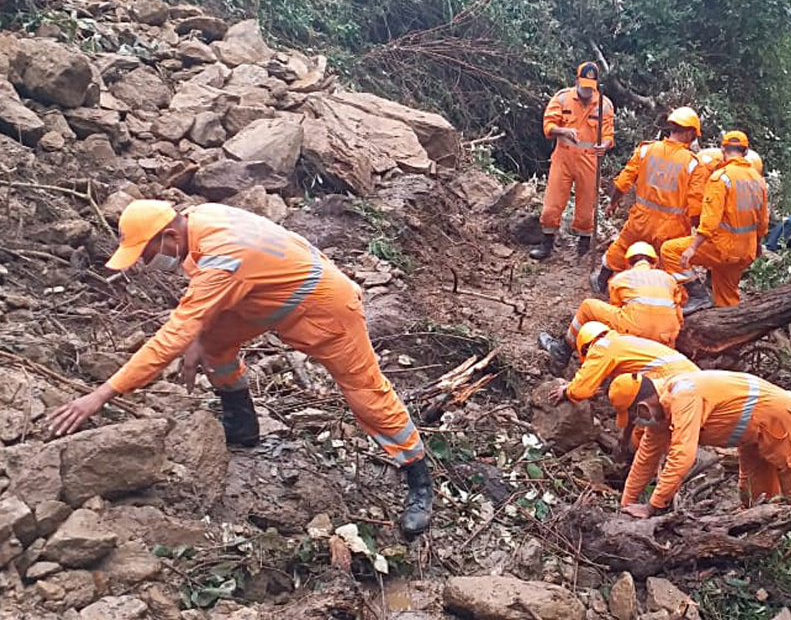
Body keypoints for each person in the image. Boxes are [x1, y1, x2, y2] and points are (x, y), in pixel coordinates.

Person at [47, 200, 434, 536]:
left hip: (325, 307)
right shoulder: (198, 222)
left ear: (168, 236)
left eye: (146, 254)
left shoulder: (222, 253)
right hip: (267, 300)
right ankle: (242, 423)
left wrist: (100, 395)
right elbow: (203, 311)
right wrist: (201, 336)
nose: (147, 263)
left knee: (365, 393)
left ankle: (418, 477)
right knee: (213, 341)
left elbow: (171, 336)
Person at [609, 370, 791, 543]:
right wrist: (626, 505)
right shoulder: (660, 415)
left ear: (643, 408)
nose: (637, 425)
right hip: (751, 435)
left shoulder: (683, 395)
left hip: (779, 418)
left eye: (634, 418)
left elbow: (682, 455)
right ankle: (767, 545)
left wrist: (652, 507)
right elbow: (645, 458)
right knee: (753, 495)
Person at [592, 108, 704, 293]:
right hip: (672, 227)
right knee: (668, 260)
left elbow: (622, 182)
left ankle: (601, 280)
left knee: (623, 245)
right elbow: (696, 206)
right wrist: (695, 234)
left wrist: (613, 203)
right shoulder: (692, 163)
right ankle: (669, 295)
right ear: (690, 132)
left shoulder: (646, 150)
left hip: (641, 219)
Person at [660, 131, 769, 310]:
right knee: (727, 298)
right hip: (745, 251)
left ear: (722, 149)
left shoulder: (720, 178)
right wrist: (756, 247)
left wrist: (692, 248)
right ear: (746, 151)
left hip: (723, 248)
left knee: (670, 251)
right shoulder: (758, 180)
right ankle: (731, 331)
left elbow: (710, 221)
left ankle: (698, 296)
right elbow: (763, 222)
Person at [539, 242, 685, 373]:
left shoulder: (621, 278)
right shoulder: (669, 279)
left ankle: (562, 352)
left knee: (587, 306)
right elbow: (679, 313)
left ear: (628, 262)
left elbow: (616, 311)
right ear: (654, 262)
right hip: (666, 339)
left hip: (634, 330)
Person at [530, 62, 615, 260]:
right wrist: (563, 130)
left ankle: (583, 248)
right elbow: (548, 126)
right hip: (563, 158)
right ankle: (547, 244)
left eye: (590, 86)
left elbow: (609, 133)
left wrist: (605, 145)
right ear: (576, 80)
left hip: (589, 160)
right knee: (552, 204)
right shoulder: (562, 98)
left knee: (586, 209)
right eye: (583, 85)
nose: (586, 90)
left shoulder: (604, 104)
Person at [547, 321, 699, 407]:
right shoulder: (620, 342)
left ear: (586, 347)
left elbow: (581, 390)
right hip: (692, 374)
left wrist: (567, 391)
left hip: (673, 380)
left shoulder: (601, 347)